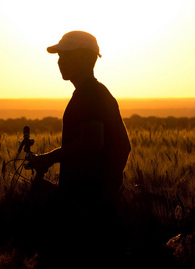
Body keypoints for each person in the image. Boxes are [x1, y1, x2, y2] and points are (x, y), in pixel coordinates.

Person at [28, 31, 131, 264]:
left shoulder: (90, 95)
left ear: (85, 58)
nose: (59, 61)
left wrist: (48, 158)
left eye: (65, 55)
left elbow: (92, 142)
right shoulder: (94, 93)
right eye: (59, 56)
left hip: (86, 209)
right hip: (92, 203)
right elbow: (124, 145)